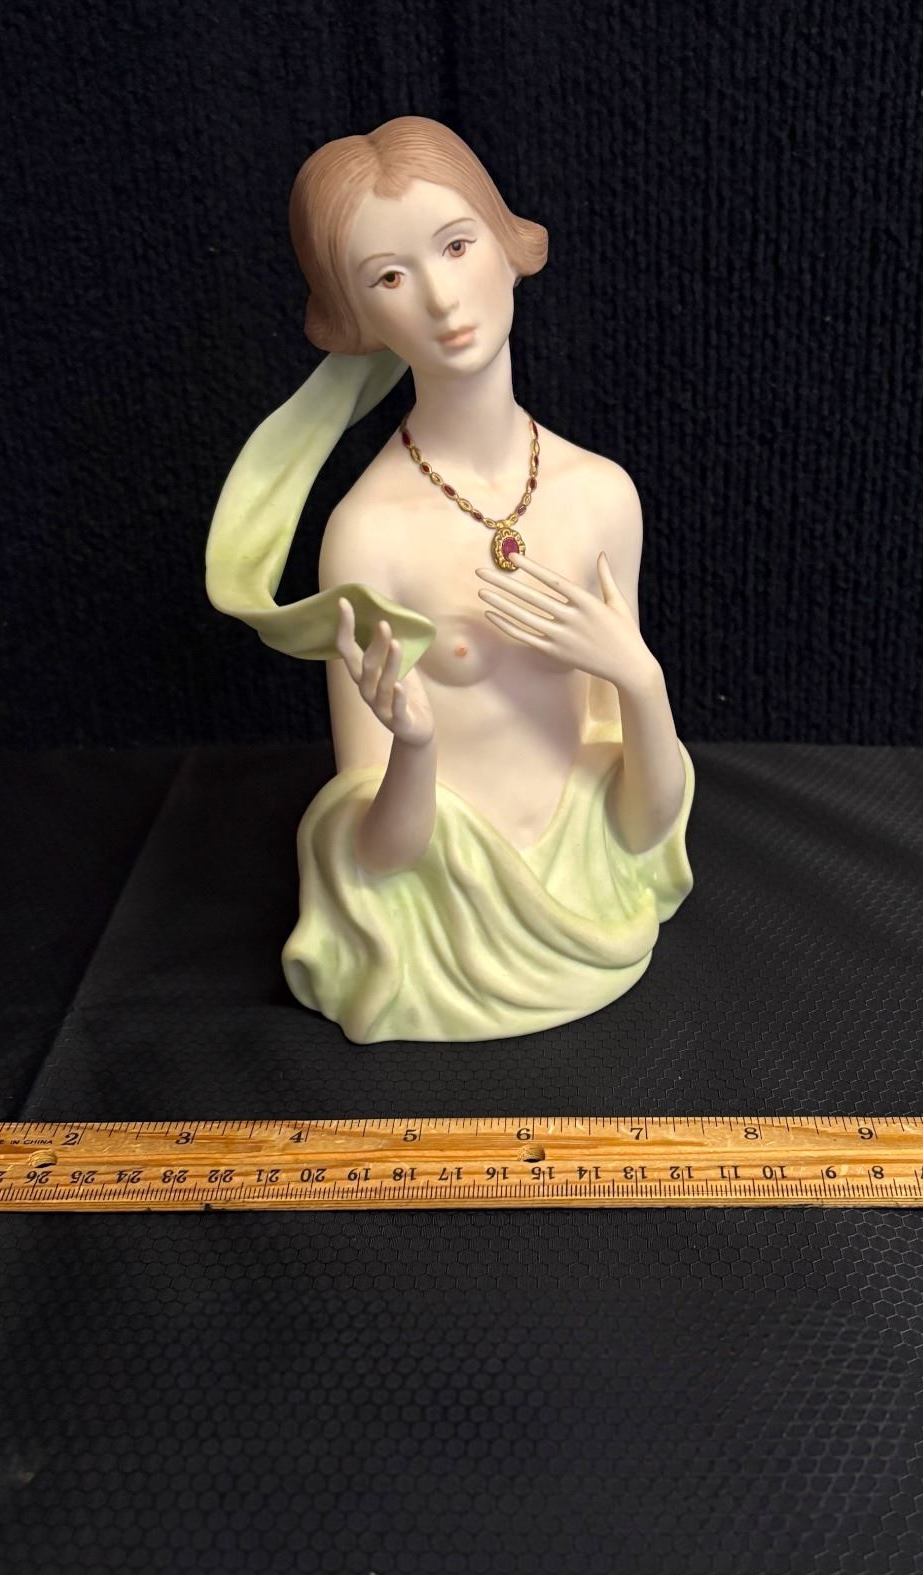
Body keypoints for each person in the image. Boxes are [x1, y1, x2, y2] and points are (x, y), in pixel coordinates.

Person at [205, 116, 695, 1044]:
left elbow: (640, 829)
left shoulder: (601, 497)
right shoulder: (368, 537)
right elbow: (380, 858)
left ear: (507, 248)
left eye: (457, 245)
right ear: (357, 318)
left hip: (591, 880)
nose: (439, 297)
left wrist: (640, 680)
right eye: (388, 277)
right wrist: (415, 746)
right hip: (446, 913)